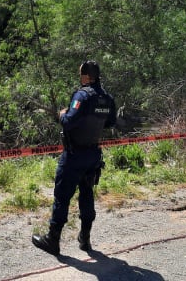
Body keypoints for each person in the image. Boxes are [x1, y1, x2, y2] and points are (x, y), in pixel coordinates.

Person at [32, 60, 117, 256]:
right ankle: (84, 239)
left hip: (74, 155)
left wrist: (62, 114)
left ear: (87, 76)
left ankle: (53, 241)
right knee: (87, 194)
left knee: (62, 197)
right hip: (93, 154)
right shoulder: (107, 98)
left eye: (81, 74)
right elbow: (110, 122)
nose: (80, 77)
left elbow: (68, 122)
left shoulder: (82, 95)